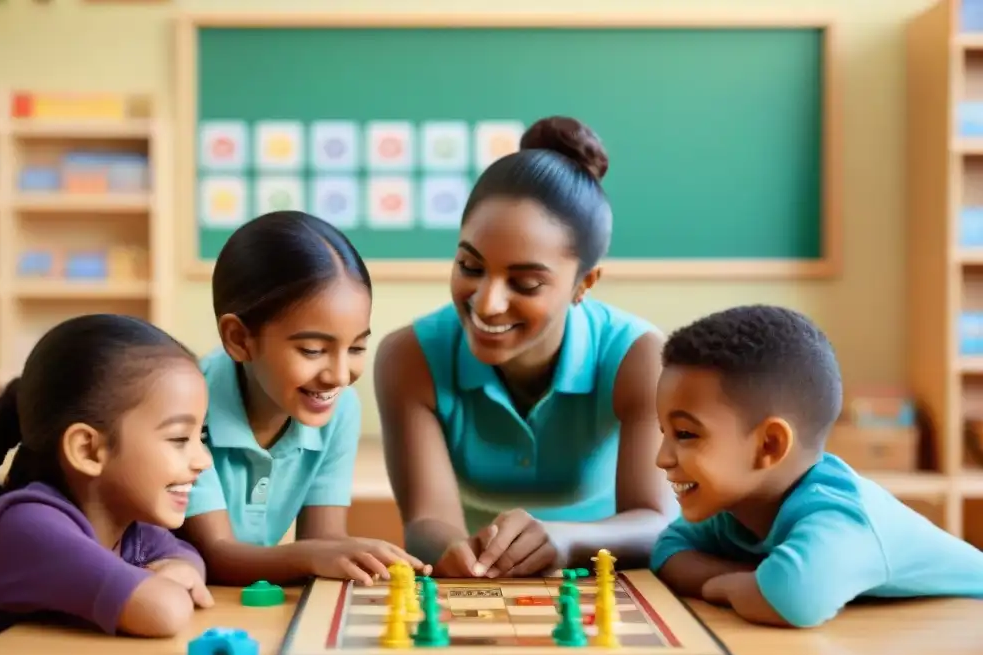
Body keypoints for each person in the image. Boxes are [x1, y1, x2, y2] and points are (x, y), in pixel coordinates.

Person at [375, 116, 675, 578]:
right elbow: (425, 520)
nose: (488, 303)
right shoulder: (408, 358)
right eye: (470, 266)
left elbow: (658, 523)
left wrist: (566, 540)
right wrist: (453, 548)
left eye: (526, 283)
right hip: (481, 586)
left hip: (604, 587)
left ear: (583, 283)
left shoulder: (638, 358)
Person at [650, 304, 983, 628]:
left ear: (770, 445)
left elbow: (791, 599)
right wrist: (749, 581)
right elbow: (667, 553)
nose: (662, 458)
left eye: (685, 434)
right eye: (664, 432)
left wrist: (720, 585)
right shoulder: (734, 511)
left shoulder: (840, 513)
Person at [180, 210, 424, 587]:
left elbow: (322, 541)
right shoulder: (187, 407)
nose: (340, 376)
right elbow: (215, 555)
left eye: (357, 347)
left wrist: (355, 554)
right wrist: (316, 554)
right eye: (312, 350)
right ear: (239, 339)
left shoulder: (339, 408)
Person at [0, 314, 213, 655]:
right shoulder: (25, 526)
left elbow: (184, 557)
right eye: (180, 438)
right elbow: (163, 612)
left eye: (202, 436)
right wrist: (166, 585)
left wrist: (178, 568)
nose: (203, 460)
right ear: (88, 450)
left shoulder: (129, 526)